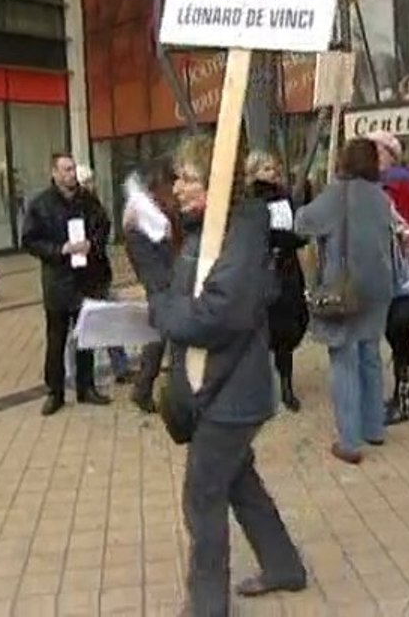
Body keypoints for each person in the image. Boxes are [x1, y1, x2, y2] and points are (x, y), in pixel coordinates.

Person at [127, 134, 306, 616]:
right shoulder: (213, 230)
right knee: (238, 482)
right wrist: (145, 249)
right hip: (224, 390)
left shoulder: (239, 235)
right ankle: (284, 565)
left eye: (189, 177)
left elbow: (213, 317)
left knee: (202, 497)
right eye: (179, 177)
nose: (178, 186)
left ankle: (208, 605)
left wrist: (163, 306)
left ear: (218, 183)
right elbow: (183, 291)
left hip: (230, 395)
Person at [295, 138, 394, 465]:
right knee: (370, 354)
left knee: (344, 360)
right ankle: (374, 426)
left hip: (345, 289)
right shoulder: (380, 197)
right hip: (378, 286)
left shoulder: (338, 193)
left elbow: (303, 223)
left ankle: (350, 441)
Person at [22, 154, 113, 416]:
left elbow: (103, 225)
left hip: (86, 278)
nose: (72, 174)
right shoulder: (41, 205)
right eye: (66, 169)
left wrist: (92, 244)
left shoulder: (87, 200)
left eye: (73, 169)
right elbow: (30, 240)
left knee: (86, 335)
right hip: (58, 282)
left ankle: (86, 387)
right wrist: (60, 249)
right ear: (54, 173)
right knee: (56, 339)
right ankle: (55, 392)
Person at [365, 131, 409, 425]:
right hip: (384, 266)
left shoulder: (402, 181)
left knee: (398, 330)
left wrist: (401, 232)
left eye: (377, 151)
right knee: (395, 331)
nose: (373, 156)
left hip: (400, 268)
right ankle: (407, 387)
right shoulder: (374, 183)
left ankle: (405, 395)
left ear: (390, 153)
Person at [246, 151, 308, 413]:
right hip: (260, 274)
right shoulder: (249, 202)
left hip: (288, 272)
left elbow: (299, 232)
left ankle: (286, 386)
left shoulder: (286, 198)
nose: (272, 172)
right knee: (261, 332)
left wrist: (290, 239)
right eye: (266, 168)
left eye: (274, 167)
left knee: (287, 329)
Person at [124, 158, 182, 414]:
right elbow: (149, 254)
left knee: (160, 336)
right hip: (163, 280)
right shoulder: (144, 213)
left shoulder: (155, 209)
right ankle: (147, 387)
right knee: (164, 335)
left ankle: (144, 387)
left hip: (165, 279)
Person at [74, 164, 131, 384]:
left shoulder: (96, 207)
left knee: (109, 320)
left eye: (91, 181)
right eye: (86, 182)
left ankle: (121, 367)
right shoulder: (77, 210)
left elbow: (102, 235)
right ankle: (76, 373)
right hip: (82, 276)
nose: (91, 186)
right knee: (80, 327)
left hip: (98, 273)